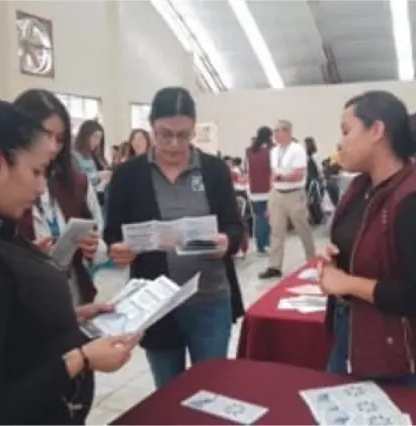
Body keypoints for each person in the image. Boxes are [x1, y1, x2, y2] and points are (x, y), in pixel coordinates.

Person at [0, 95, 136, 424]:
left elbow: (9, 332)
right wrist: (80, 359)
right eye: (36, 171)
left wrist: (69, 319)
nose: (40, 187)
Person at [104, 87, 245, 389]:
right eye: (164, 134)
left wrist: (226, 242)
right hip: (157, 303)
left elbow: (234, 226)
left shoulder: (214, 170)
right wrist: (118, 249)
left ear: (194, 129)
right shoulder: (129, 175)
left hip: (210, 298)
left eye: (184, 135)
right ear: (151, 125)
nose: (173, 144)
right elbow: (112, 230)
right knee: (168, 392)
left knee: (210, 390)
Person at [320, 91, 416, 388]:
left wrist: (348, 283)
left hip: (394, 353)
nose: (340, 142)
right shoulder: (360, 187)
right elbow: (365, 247)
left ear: (377, 131)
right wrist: (336, 258)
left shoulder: (413, 200)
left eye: (346, 131)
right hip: (354, 332)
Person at [14, 89, 106, 305]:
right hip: (26, 305)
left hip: (74, 297)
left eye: (60, 139)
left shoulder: (77, 184)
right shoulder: (3, 189)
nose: (52, 147)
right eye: (45, 136)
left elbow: (101, 243)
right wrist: (27, 257)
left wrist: (93, 248)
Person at [259, 120, 316, 279]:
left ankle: (312, 261)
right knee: (276, 231)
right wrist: (271, 193)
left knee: (302, 229)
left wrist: (282, 176)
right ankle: (274, 266)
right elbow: (272, 173)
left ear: (288, 132)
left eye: (279, 131)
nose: (276, 134)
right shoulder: (274, 151)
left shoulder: (297, 150)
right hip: (277, 194)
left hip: (294, 194)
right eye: (274, 131)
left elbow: (299, 174)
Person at [245, 126, 272, 254]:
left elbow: (247, 170)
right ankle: (265, 243)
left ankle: (259, 245)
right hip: (268, 189)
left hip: (254, 190)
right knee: (266, 218)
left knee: (258, 218)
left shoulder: (249, 151)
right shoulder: (271, 151)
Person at [73, 120, 111, 205]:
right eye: (95, 137)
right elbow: (75, 180)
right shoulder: (72, 156)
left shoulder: (91, 156)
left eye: (99, 139)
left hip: (94, 198)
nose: (97, 142)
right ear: (86, 135)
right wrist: (99, 175)